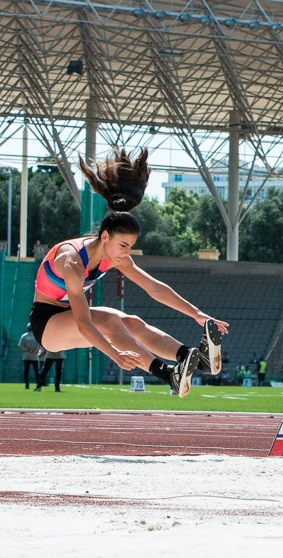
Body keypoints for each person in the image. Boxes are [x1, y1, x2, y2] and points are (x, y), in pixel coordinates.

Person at [29, 148, 229, 398]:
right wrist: (115, 354)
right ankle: (168, 375)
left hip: (67, 315)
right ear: (104, 236)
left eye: (130, 247)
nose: (127, 252)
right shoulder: (72, 263)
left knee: (132, 322)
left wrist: (196, 314)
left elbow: (154, 288)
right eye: (123, 246)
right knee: (111, 322)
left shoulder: (115, 257)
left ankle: (196, 359)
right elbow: (83, 323)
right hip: (47, 324)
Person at [18, 324, 41, 389]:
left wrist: (27, 350)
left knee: (26, 371)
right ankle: (38, 384)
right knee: (36, 371)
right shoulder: (36, 336)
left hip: (26, 356)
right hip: (35, 357)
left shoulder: (24, 336)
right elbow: (38, 347)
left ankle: (27, 385)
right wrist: (33, 353)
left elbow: (20, 345)